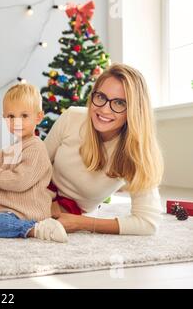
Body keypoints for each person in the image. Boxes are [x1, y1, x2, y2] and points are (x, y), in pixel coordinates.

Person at [45, 63, 164, 235]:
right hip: (38, 193)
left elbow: (148, 222)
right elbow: (36, 162)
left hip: (74, 214)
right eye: (100, 97)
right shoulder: (72, 118)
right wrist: (48, 199)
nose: (104, 109)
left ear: (134, 110)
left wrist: (83, 223)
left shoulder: (136, 152)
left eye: (119, 103)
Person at [0, 84, 67, 243]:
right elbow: (0, 170)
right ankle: (23, 226)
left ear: (38, 117)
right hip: (8, 210)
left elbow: (20, 181)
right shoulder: (12, 148)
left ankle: (35, 228)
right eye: (11, 117)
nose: (17, 122)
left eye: (24, 116)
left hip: (25, 211)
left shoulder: (35, 148)